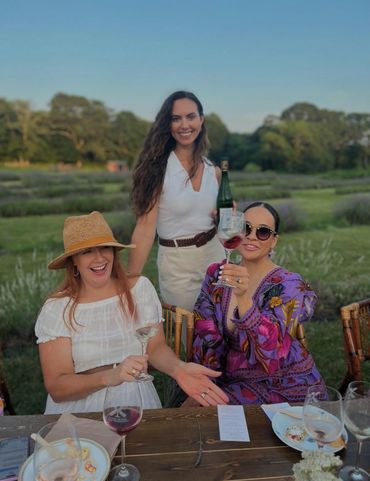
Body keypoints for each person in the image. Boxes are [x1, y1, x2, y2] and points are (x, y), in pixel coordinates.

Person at [35, 211, 228, 414]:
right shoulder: (58, 308)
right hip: (81, 407)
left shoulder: (139, 290)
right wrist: (110, 376)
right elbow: (57, 387)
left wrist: (178, 369)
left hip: (135, 399)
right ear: (73, 260)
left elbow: (155, 349)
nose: (99, 258)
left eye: (105, 248)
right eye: (87, 252)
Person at [192, 201, 327, 404]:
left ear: (274, 241)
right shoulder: (217, 274)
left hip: (285, 386)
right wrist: (205, 386)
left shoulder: (289, 285)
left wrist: (243, 296)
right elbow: (205, 338)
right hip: (232, 382)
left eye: (263, 232)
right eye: (245, 228)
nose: (252, 236)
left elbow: (270, 353)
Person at [128, 91, 224, 312]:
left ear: (201, 119)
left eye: (190, 116)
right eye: (175, 118)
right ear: (167, 124)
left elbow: (217, 219)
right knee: (189, 336)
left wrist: (223, 216)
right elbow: (144, 229)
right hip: (178, 265)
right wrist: (131, 281)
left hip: (216, 257)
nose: (184, 124)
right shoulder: (157, 169)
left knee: (223, 331)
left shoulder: (213, 171)